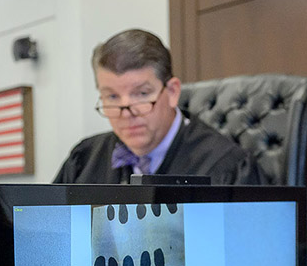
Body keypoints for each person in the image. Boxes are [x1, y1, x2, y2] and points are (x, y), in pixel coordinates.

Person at [53, 29, 261, 185]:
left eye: (142, 94)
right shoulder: (84, 159)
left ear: (172, 92)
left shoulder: (227, 167)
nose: (127, 114)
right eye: (112, 96)